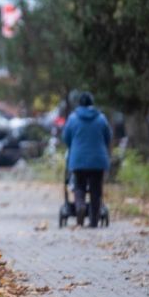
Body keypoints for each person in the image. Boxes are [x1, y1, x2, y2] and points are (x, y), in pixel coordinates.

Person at [62, 92, 112, 228]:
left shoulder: (73, 119)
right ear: (92, 103)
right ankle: (94, 221)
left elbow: (66, 138)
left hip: (78, 160)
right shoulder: (101, 119)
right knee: (96, 190)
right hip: (98, 160)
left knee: (79, 186)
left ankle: (80, 206)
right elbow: (108, 138)